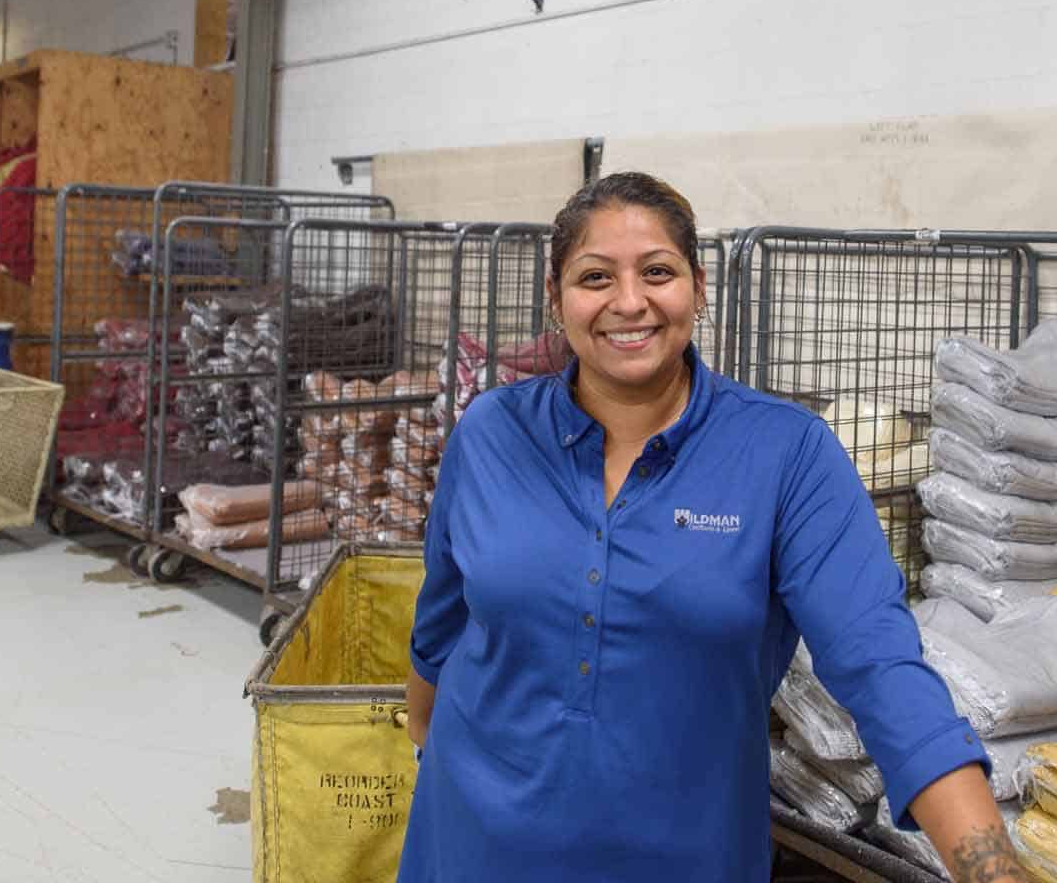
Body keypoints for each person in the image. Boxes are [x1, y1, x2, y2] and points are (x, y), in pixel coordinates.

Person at [400, 173, 1020, 883]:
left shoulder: (785, 453)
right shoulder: (491, 432)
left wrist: (990, 870)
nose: (629, 302)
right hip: (474, 846)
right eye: (595, 276)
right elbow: (442, 621)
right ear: (556, 297)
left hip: (686, 855)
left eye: (657, 272)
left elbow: (880, 665)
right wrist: (425, 743)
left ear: (697, 286)